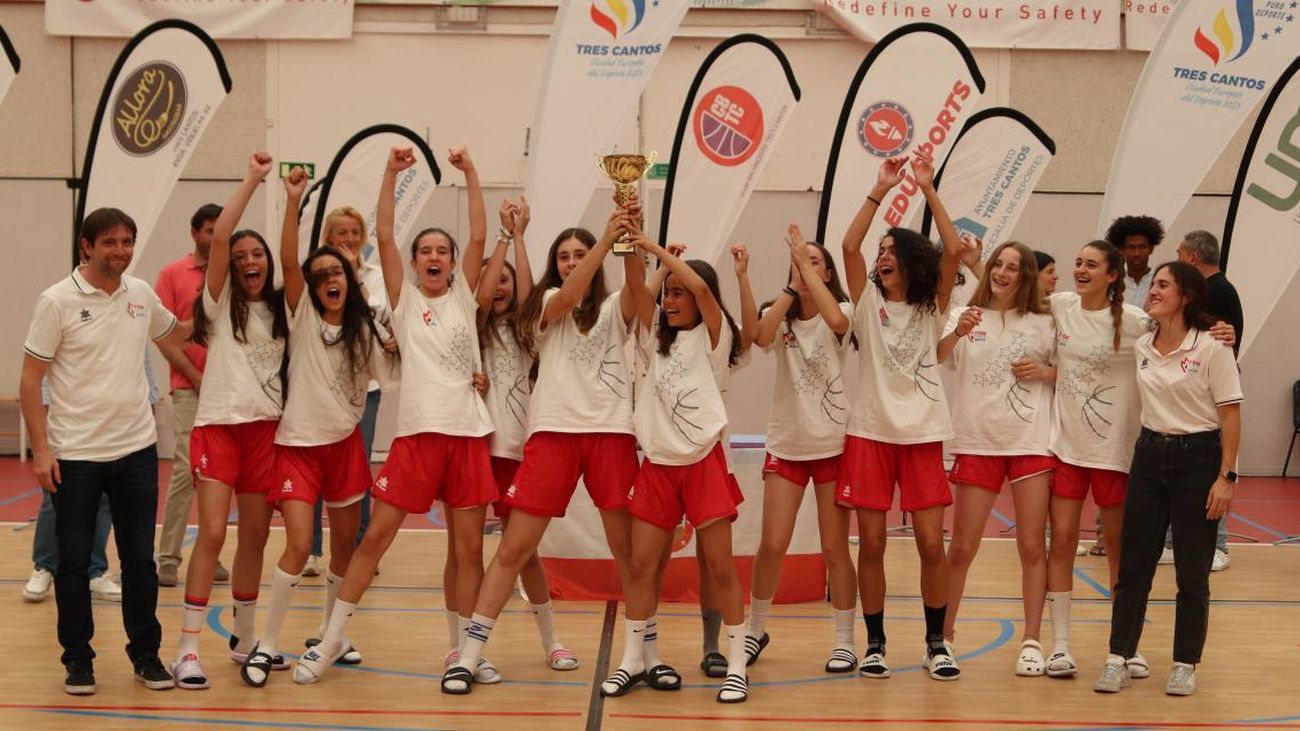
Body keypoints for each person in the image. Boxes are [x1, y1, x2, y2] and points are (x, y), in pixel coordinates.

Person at [296, 146, 497, 686]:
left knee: (469, 549)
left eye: (442, 252)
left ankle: (464, 652)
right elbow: (383, 234)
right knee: (375, 538)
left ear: (453, 264)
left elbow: (478, 235)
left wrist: (472, 172)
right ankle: (330, 638)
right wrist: (389, 174)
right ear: (412, 264)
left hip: (469, 436)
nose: (434, 257)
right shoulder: (405, 300)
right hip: (416, 440)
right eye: (424, 251)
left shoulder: (462, 298)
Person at [442, 199, 645, 696]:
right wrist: (601, 239)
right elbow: (567, 294)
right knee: (514, 548)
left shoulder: (615, 307)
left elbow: (638, 293)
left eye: (580, 254)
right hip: (552, 433)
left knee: (629, 553)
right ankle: (468, 656)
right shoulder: (546, 304)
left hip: (610, 434)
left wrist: (631, 236)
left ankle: (641, 653)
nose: (573, 262)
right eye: (565, 256)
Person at [20, 207, 192, 694]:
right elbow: (31, 379)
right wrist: (42, 449)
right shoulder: (56, 301)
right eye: (111, 242)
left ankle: (146, 655)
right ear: (86, 247)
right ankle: (78, 659)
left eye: (128, 241)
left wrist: (226, 302)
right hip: (75, 454)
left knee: (139, 561)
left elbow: (176, 333)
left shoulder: (140, 294)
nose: (121, 250)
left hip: (136, 450)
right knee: (73, 562)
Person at [242, 159, 393, 688]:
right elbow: (289, 256)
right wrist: (292, 201)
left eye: (339, 273)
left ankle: (335, 634)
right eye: (322, 274)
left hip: (345, 447)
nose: (332, 280)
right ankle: (267, 644)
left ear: (352, 279)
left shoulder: (366, 327)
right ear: (311, 284)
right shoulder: (302, 314)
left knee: (347, 550)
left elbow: (394, 373)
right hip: (298, 447)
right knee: (300, 545)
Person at [600, 230, 749, 703]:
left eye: (677, 293)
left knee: (720, 567)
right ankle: (632, 660)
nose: (669, 300)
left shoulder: (713, 337)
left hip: (704, 462)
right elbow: (637, 290)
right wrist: (639, 254)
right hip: (659, 466)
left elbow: (704, 290)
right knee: (641, 566)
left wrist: (658, 249)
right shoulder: (653, 340)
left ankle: (738, 664)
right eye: (668, 294)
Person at [837, 154, 963, 681]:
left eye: (892, 250)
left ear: (912, 261)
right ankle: (875, 643)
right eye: (881, 251)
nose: (882, 256)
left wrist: (928, 187)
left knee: (933, 544)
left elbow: (953, 250)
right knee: (872, 543)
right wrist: (879, 190)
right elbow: (848, 246)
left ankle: (937, 642)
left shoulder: (933, 306)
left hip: (923, 436)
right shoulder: (867, 302)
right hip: (869, 435)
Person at [1094, 261, 1241, 697]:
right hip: (1149, 456)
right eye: (1153, 284)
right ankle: (1118, 657)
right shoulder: (1142, 344)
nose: (1153, 291)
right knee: (1134, 566)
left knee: (1192, 573)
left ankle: (1184, 663)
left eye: (1162, 285)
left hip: (1199, 459)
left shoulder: (1213, 346)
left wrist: (1226, 477)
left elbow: (1230, 413)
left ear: (1187, 295)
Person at [173, 154, 288, 690]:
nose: (248, 260)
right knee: (214, 532)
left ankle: (243, 639)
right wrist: (254, 178)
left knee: (256, 537)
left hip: (266, 432)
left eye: (256, 253)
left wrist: (294, 201)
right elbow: (218, 240)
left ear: (267, 262)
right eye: (240, 254)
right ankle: (189, 648)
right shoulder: (218, 306)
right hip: (219, 427)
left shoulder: (285, 311)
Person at [469, 195, 578, 671]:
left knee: (523, 553)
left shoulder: (530, 328)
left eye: (507, 282)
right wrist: (500, 243)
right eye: (495, 282)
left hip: (519, 452)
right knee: (470, 552)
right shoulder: (472, 326)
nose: (499, 289)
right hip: (477, 452)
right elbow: (482, 290)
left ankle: (550, 640)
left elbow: (532, 291)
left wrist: (519, 236)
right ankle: (470, 649)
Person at [937, 242, 1055, 676]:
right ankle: (943, 639)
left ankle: (1031, 641)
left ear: (1026, 276)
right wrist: (957, 331)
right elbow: (935, 357)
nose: (1003, 273)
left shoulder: (1045, 322)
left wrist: (1046, 373)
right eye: (998, 265)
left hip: (1029, 443)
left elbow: (1076, 372)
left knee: (1030, 546)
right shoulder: (964, 315)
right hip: (977, 442)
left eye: (1013, 267)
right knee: (962, 548)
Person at [744, 224, 858, 675]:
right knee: (772, 543)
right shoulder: (783, 310)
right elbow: (758, 336)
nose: (803, 264)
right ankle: (755, 630)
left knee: (834, 547)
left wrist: (805, 273)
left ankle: (845, 640)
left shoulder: (842, 309)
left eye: (814, 260)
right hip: (787, 445)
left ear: (828, 273)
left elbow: (836, 322)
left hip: (831, 445)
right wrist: (790, 287)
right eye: (798, 258)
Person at [1043, 240, 1150, 680]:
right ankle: (1061, 646)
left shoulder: (1137, 322)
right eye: (1078, 262)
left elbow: (1186, 330)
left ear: (1112, 275)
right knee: (1063, 541)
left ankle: (1126, 646)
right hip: (1068, 448)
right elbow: (1007, 293)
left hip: (1115, 453)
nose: (1080, 269)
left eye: (1092, 264)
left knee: (1119, 554)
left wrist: (1222, 331)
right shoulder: (1061, 306)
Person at [305, 204, 387, 577]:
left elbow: (377, 317)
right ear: (328, 238)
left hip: (363, 387)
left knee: (357, 469)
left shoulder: (376, 275)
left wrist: (355, 276)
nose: (349, 239)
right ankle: (310, 551)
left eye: (355, 232)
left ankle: (358, 549)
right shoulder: (314, 274)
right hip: (318, 390)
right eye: (341, 232)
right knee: (316, 470)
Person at [156, 203, 229, 588]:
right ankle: (167, 558)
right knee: (186, 470)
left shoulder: (233, 273)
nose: (215, 238)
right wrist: (196, 376)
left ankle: (211, 554)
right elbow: (165, 338)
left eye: (222, 232)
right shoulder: (171, 275)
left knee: (218, 475)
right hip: (188, 388)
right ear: (194, 233)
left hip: (228, 393)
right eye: (209, 231)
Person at [1173, 230, 1242, 572]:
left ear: (1192, 258)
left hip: (1213, 394)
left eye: (1179, 254)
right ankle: (1174, 541)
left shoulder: (1218, 291)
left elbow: (1221, 342)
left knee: (1212, 468)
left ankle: (1219, 545)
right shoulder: (1210, 290)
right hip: (1191, 391)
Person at [1104, 215, 1164, 309]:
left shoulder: (1160, 282)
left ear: (1151, 249)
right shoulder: (1112, 283)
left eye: (1142, 247)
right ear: (1122, 250)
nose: (1137, 253)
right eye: (1131, 247)